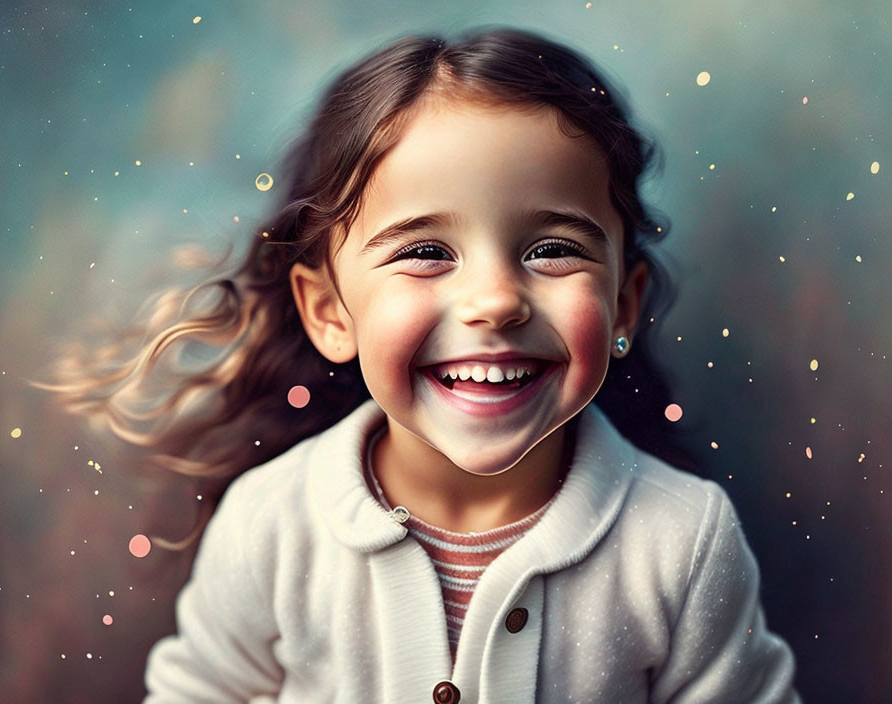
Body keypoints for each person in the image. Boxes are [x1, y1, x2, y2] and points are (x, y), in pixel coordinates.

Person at [45, 26, 801, 703]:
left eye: (551, 250)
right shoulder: (271, 522)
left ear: (625, 305)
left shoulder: (685, 540)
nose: (496, 301)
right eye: (425, 253)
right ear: (331, 313)